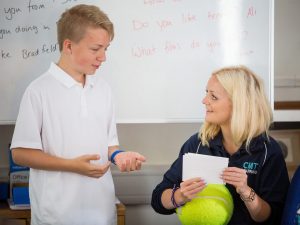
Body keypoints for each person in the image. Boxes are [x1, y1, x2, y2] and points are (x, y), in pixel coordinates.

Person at [11, 4, 146, 225]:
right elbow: (20, 153)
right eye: (95, 49)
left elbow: (109, 145)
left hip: (102, 213)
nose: (103, 57)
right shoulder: (39, 91)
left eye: (106, 49)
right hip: (56, 216)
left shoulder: (103, 89)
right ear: (68, 46)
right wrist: (72, 165)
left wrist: (118, 156)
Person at [151, 66, 290, 225]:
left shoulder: (268, 151)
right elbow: (158, 200)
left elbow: (273, 217)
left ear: (239, 104)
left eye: (214, 97)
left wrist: (246, 192)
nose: (204, 101)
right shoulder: (198, 143)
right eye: (206, 93)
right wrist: (179, 196)